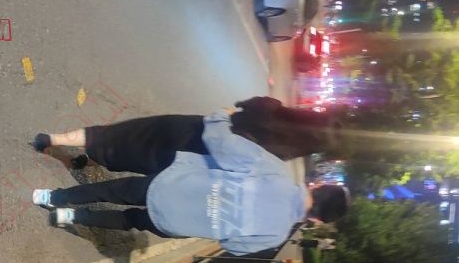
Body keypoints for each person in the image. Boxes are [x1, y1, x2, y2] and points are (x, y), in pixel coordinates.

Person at [30, 108, 350, 256]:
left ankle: (53, 198)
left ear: (317, 187)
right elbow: (232, 246)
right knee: (130, 220)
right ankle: (71, 216)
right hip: (178, 223)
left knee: (113, 190)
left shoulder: (276, 174)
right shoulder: (276, 235)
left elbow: (223, 145)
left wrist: (220, 119)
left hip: (175, 186)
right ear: (317, 220)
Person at [30, 95, 340, 170]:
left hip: (191, 128)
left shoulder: (272, 108)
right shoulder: (280, 157)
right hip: (193, 159)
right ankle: (91, 158)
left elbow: (234, 107)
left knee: (128, 132)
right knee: (135, 158)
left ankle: (53, 140)